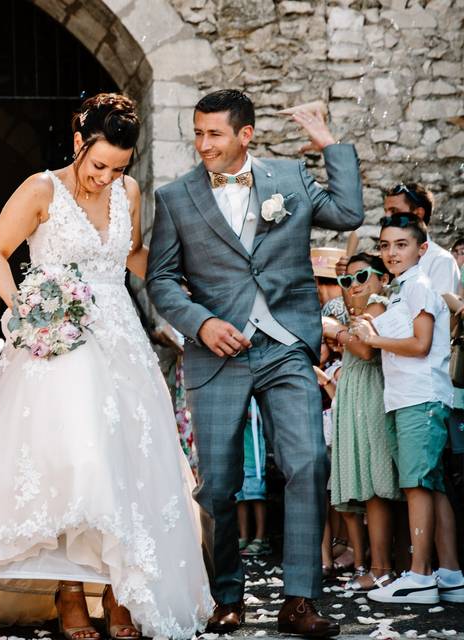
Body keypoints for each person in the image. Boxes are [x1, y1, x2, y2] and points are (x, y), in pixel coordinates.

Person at [0, 93, 212, 639]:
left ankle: (121, 591)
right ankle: (69, 591)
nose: (107, 178)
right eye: (98, 164)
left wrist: (188, 285)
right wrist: (24, 309)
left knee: (123, 461)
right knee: (69, 462)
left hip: (121, 339)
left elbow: (131, 255)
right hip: (59, 343)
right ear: (78, 144)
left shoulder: (127, 190)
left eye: (119, 168)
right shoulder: (40, 189)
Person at [146, 89, 364, 637]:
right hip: (216, 354)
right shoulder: (175, 197)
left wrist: (328, 144)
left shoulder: (289, 177)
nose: (203, 145)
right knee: (217, 483)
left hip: (286, 345)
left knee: (308, 463)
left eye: (214, 134)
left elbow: (349, 213)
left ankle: (300, 600)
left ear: (246, 135)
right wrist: (200, 323)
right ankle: (227, 596)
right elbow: (162, 279)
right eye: (198, 133)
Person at [350, 214, 464, 605]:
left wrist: (375, 338)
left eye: (401, 244)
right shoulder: (400, 289)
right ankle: (450, 574)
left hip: (421, 396)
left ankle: (420, 575)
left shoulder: (418, 286)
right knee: (429, 485)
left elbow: (420, 344)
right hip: (406, 397)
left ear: (422, 248)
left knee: (416, 484)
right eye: (385, 245)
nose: (392, 252)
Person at [322, 253, 401, 591]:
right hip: (352, 398)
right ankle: (367, 564)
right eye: (346, 280)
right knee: (358, 485)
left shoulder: (380, 305)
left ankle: (382, 567)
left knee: (374, 485)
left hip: (370, 395)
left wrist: (336, 331)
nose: (353, 285)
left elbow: (367, 351)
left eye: (361, 276)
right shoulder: (358, 312)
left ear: (381, 277)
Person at [236, 399, 270, 557]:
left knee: (256, 495)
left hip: (254, 455)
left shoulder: (255, 396)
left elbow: (261, 416)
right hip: (238, 454)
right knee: (240, 497)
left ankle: (261, 537)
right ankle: (243, 536)